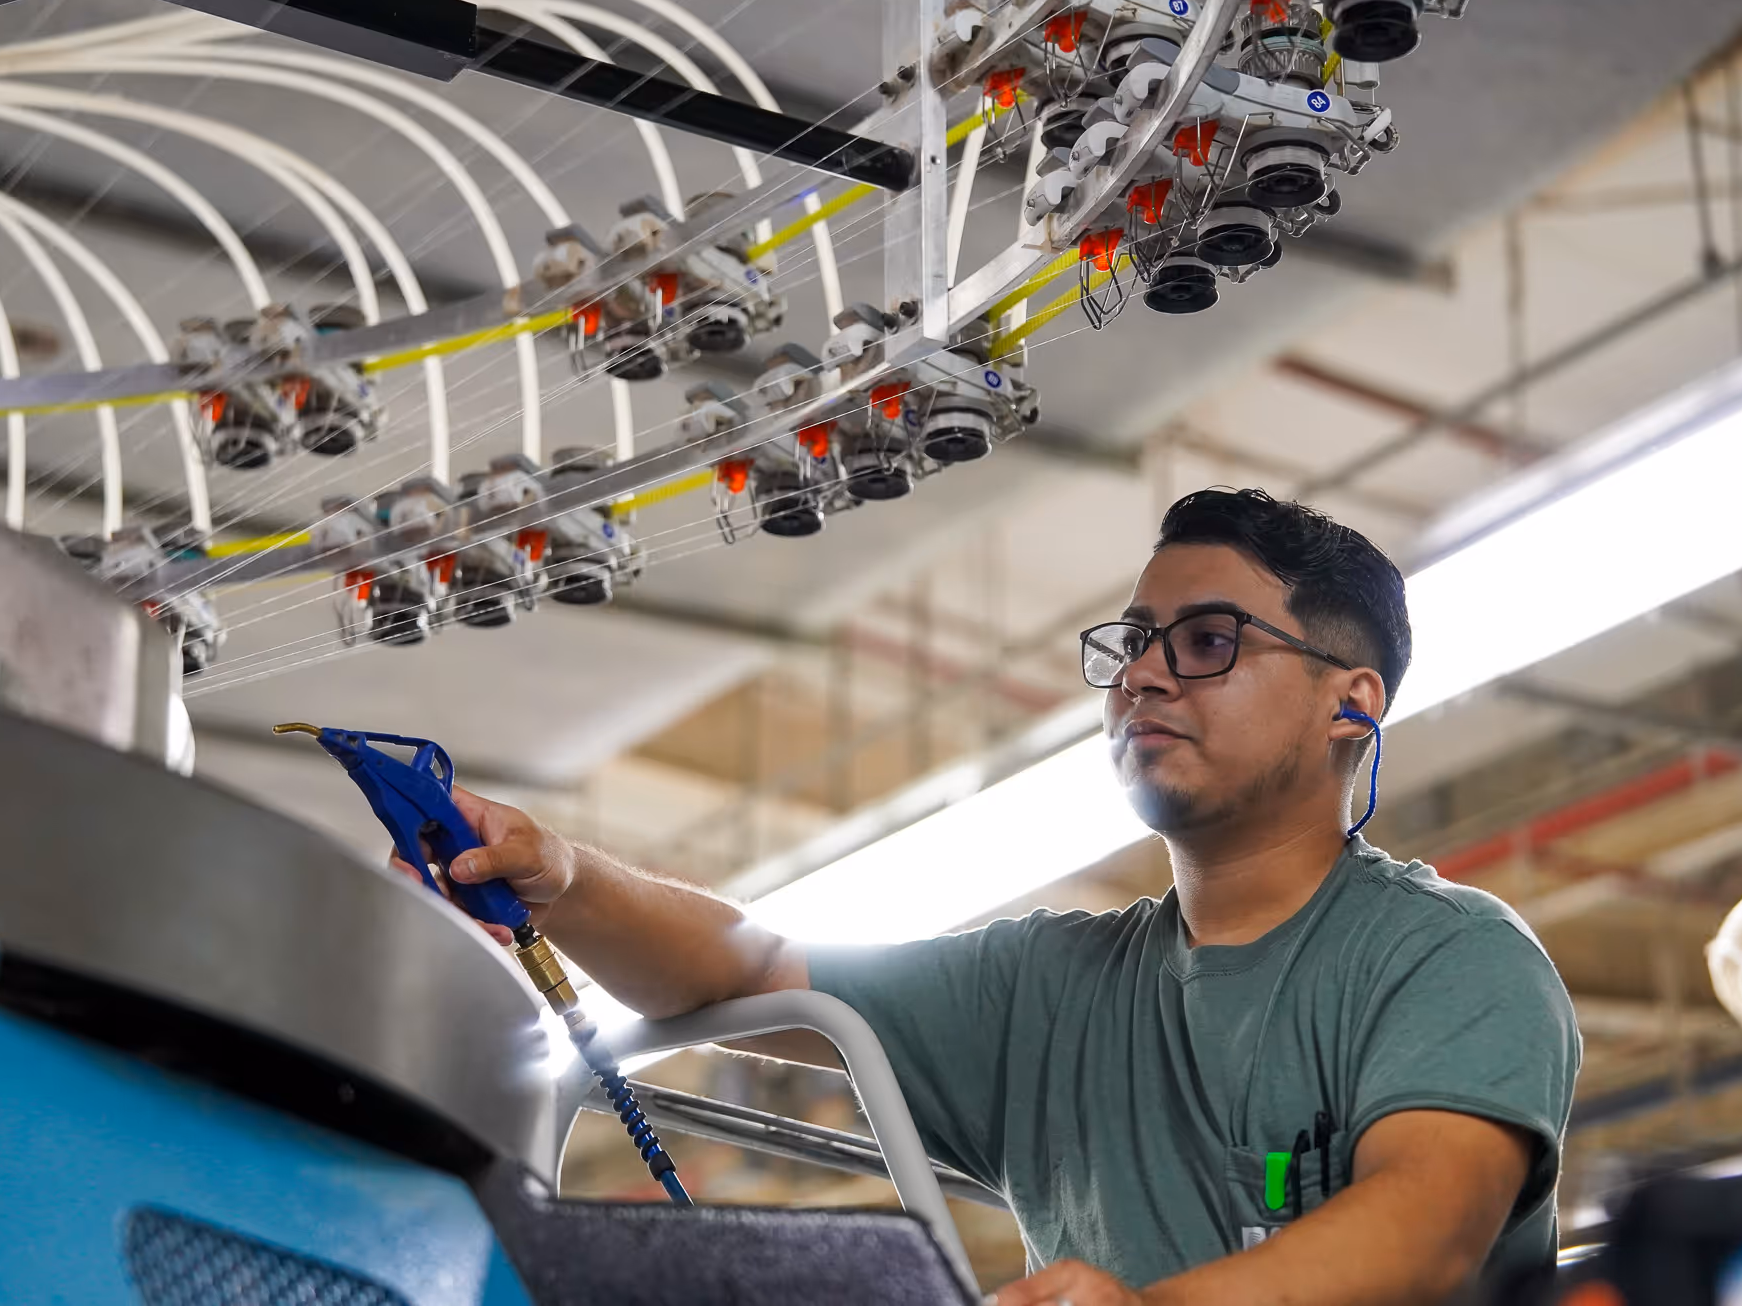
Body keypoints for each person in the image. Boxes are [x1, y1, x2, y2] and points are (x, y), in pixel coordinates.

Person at [416, 487, 1580, 1305]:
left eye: (1208, 642)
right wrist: (560, 878)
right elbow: (751, 967)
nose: (1140, 674)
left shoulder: (1444, 960)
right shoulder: (1044, 989)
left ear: (1351, 705)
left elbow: (1428, 1231)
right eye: (1133, 641)